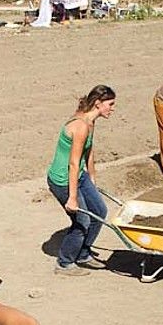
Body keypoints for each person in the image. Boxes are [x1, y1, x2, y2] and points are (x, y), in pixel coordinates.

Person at [46, 86, 118, 275]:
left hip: (79, 176)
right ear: (98, 103)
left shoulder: (90, 121)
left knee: (100, 211)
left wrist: (92, 177)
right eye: (110, 104)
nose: (113, 108)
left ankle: (83, 253)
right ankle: (64, 263)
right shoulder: (81, 126)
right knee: (82, 221)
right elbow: (73, 163)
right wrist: (72, 197)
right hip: (63, 180)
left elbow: (89, 150)